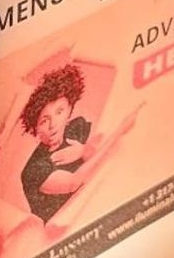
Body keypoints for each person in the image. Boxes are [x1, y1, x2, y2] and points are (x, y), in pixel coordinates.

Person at [16, 64, 135, 223]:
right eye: (44, 120)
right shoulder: (33, 169)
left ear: (69, 110)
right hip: (62, 230)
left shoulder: (75, 128)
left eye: (59, 112)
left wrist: (83, 150)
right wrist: (119, 131)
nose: (53, 125)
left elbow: (95, 156)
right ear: (35, 127)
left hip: (92, 204)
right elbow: (73, 182)